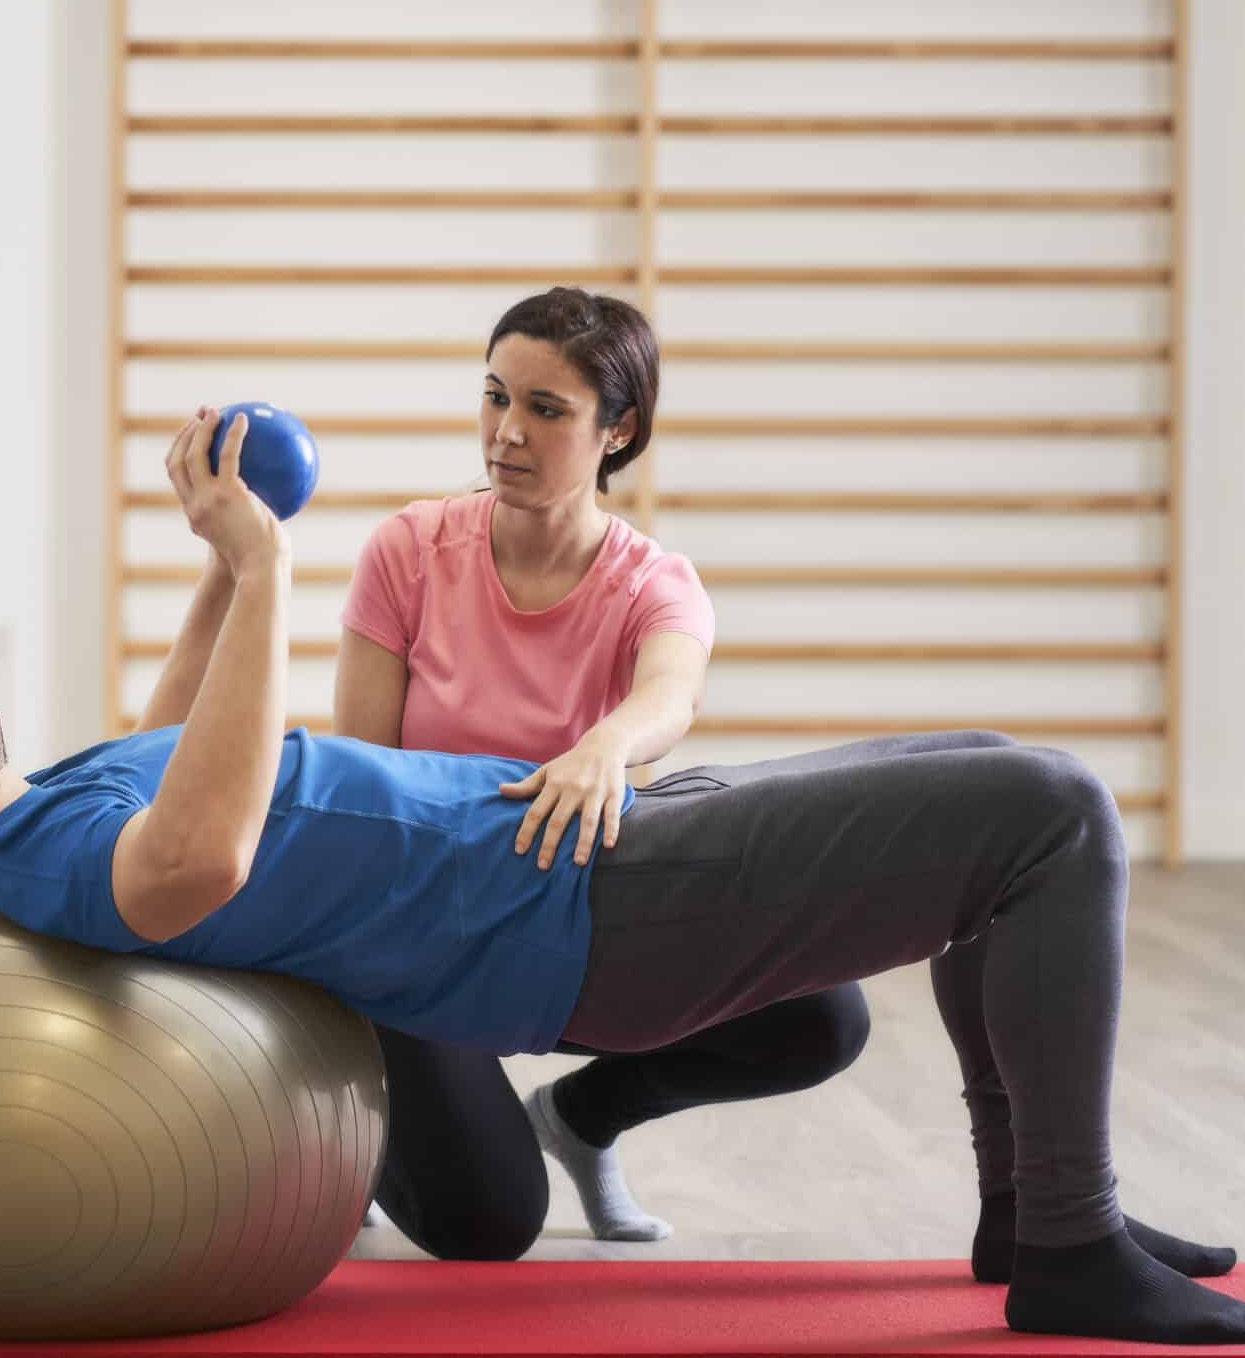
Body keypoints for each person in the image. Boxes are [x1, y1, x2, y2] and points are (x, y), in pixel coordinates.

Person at [0, 411, 1245, 1345]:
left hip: (584, 839)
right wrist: (270, 569)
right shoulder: (52, 859)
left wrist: (214, 562)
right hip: (588, 908)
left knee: (989, 773)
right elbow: (198, 853)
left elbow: (179, 740)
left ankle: (1031, 1222)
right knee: (1049, 807)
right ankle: (1072, 1246)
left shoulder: (49, 802)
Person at [337, 287, 869, 1254]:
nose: (506, 432)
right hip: (422, 930)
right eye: (496, 396)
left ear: (618, 431)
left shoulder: (653, 582)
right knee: (487, 1226)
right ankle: (368, 1120)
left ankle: (583, 1117)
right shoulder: (408, 550)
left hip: (566, 924)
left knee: (822, 1018)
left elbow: (672, 692)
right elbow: (360, 772)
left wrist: (605, 745)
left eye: (547, 410)